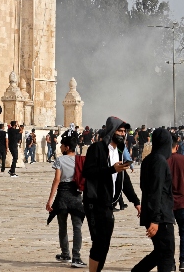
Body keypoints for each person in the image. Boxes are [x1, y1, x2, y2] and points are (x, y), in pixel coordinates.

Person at [82, 116, 141, 272]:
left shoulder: (120, 151)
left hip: (109, 203)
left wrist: (136, 202)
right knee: (99, 242)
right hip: (94, 202)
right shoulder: (97, 148)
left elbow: (124, 178)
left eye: (124, 131)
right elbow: (87, 172)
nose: (122, 134)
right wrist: (111, 170)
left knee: (105, 243)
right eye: (119, 131)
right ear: (111, 131)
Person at [132, 128, 175, 272]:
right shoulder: (159, 161)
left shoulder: (148, 160)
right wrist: (156, 219)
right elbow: (155, 191)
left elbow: (146, 188)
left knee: (161, 251)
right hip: (161, 216)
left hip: (155, 213)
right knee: (167, 252)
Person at [45, 136, 87, 267]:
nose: (61, 147)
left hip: (62, 195)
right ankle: (76, 257)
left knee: (62, 226)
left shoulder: (60, 160)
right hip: (76, 195)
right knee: (77, 227)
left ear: (67, 147)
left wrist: (50, 200)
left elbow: (57, 180)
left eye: (62, 145)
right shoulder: (81, 160)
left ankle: (65, 253)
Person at [167, 134, 184, 272]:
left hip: (167, 203)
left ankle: (170, 263)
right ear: (177, 146)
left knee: (169, 234)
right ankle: (183, 261)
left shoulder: (163, 160)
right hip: (182, 202)